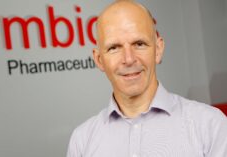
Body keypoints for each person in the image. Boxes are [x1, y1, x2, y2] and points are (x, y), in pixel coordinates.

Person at [67, 0, 227, 157]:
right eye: (114, 48)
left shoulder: (211, 125)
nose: (129, 59)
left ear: (158, 50)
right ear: (99, 60)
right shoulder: (81, 140)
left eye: (139, 44)